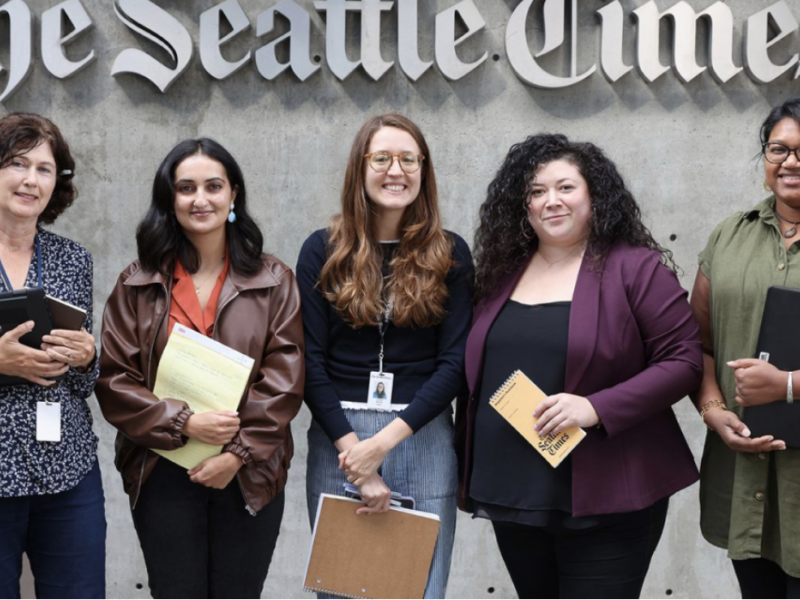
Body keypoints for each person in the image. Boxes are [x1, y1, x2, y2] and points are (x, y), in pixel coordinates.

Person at [456, 133, 703, 599]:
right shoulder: (500, 274)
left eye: (566, 187)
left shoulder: (637, 269)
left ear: (594, 196)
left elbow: (684, 360)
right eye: (536, 191)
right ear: (523, 205)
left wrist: (595, 408)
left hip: (609, 493)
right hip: (516, 493)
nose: (551, 201)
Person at [96, 138, 304, 599]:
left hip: (248, 470)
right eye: (186, 187)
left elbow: (285, 381)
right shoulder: (137, 282)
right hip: (162, 466)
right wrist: (185, 422)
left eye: (213, 186)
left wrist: (236, 454)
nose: (200, 199)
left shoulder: (275, 280)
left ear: (234, 195)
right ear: (169, 200)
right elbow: (114, 380)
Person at [297, 113, 473, 599]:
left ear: (423, 169)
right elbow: (309, 361)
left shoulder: (450, 253)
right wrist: (356, 450)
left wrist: (382, 445)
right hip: (340, 439)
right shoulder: (323, 250)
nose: (396, 170)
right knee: (343, 588)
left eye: (408, 159)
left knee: (419, 588)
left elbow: (455, 363)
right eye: (382, 158)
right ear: (360, 167)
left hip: (422, 434)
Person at [691, 97, 800, 599]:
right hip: (743, 474)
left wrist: (789, 386)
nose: (791, 162)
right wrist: (713, 409)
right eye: (779, 149)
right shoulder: (728, 235)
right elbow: (699, 343)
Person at [0, 113, 104, 599]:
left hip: (66, 468)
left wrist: (87, 358)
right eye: (17, 164)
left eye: (45, 169)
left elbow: (84, 383)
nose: (30, 179)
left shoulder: (72, 258)